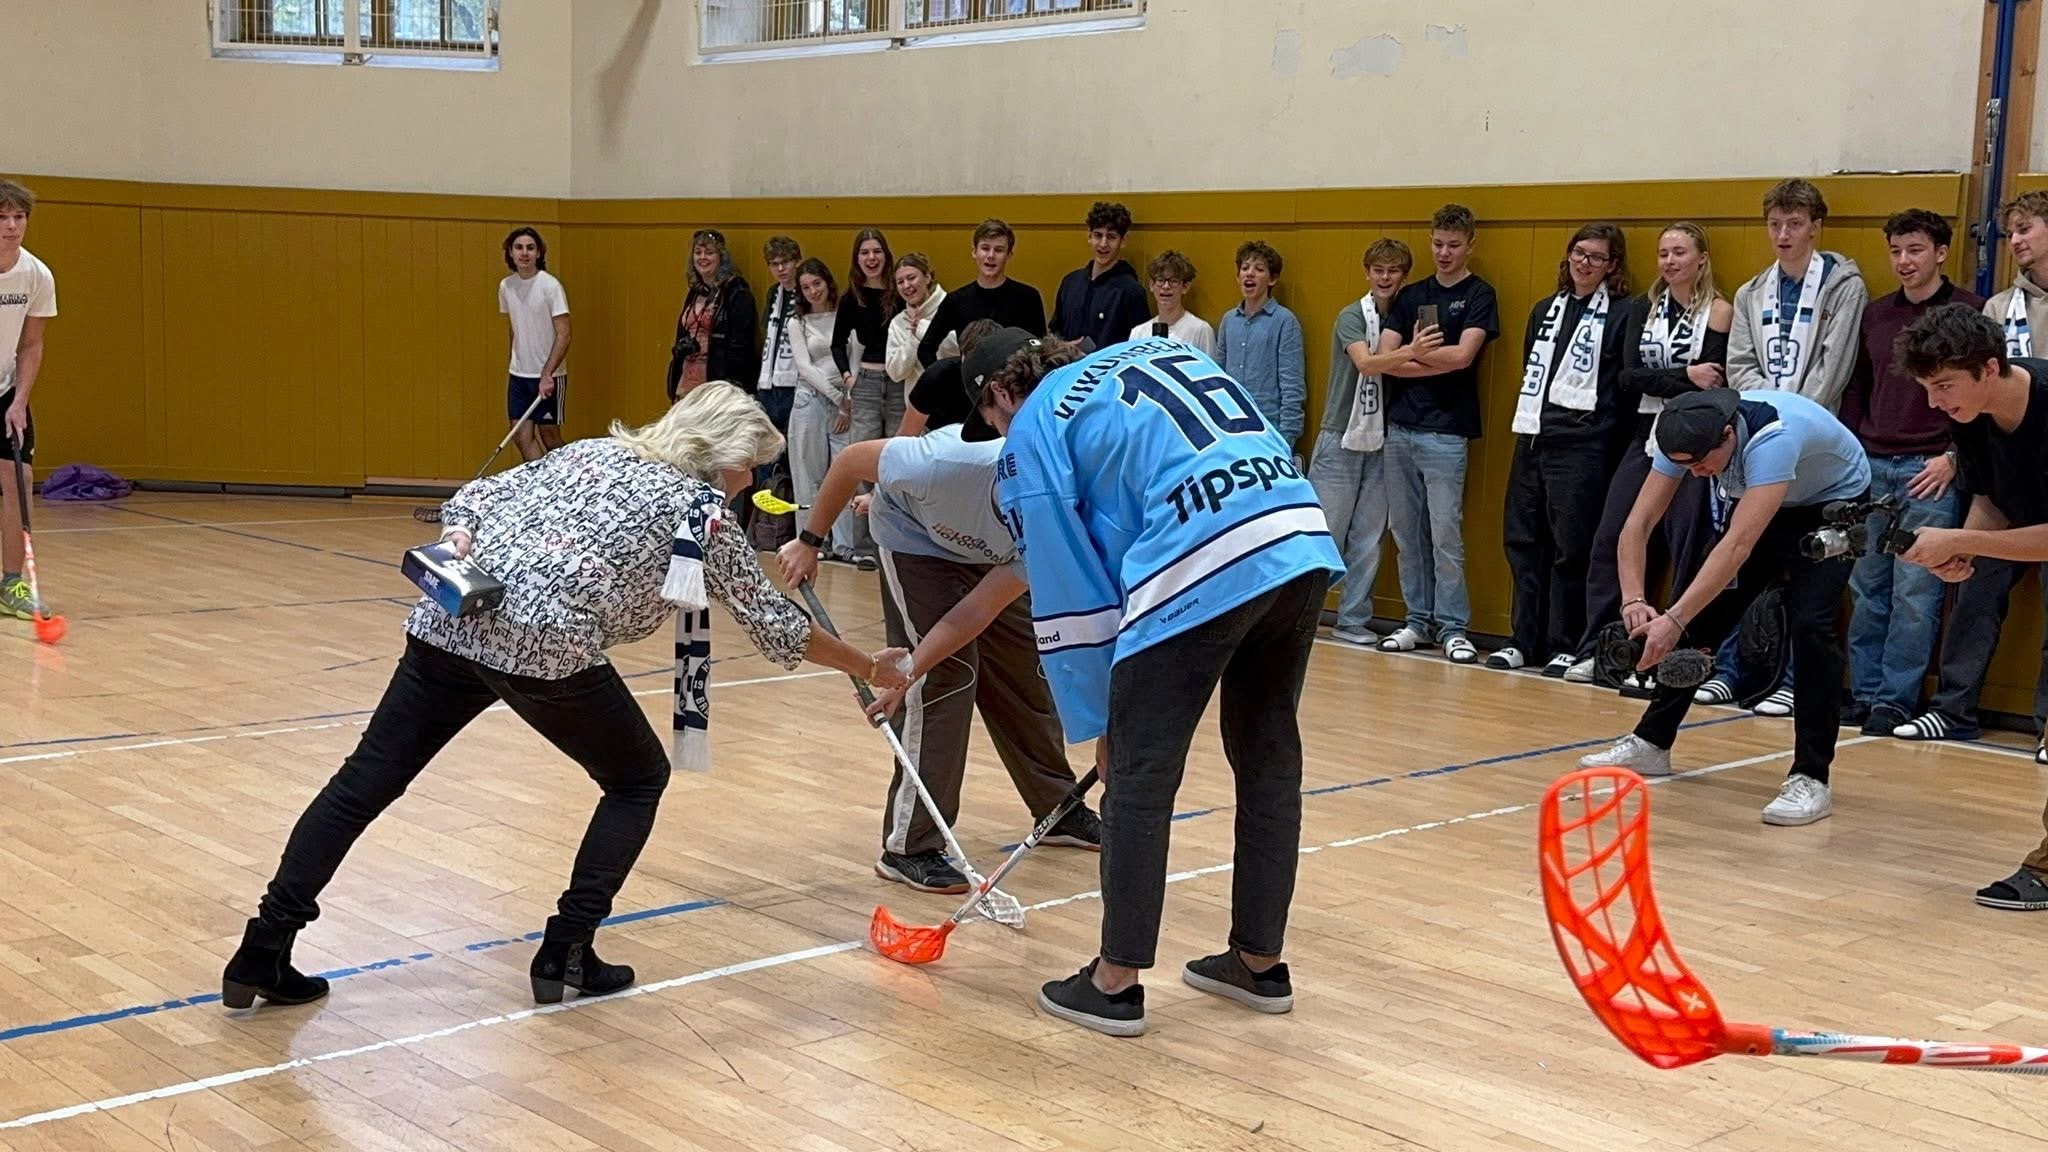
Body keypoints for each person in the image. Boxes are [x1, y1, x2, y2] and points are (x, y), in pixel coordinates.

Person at [219, 383, 911, 1012]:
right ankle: (567, 948)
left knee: (362, 783)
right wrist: (867, 666)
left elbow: (478, 494)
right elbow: (776, 626)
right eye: (751, 465)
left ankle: (262, 948)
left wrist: (459, 536)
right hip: (545, 646)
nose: (752, 481)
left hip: (453, 620)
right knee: (637, 779)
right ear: (724, 457)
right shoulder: (701, 510)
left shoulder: (590, 452)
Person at [969, 327, 1343, 1038]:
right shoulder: (1163, 354)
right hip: (1296, 533)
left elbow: (1067, 584)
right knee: (1267, 757)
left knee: (1139, 775)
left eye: (989, 422)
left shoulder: (1036, 423)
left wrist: (1102, 723)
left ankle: (1114, 983)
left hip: (1200, 550)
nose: (996, 436)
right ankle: (1258, 962)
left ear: (999, 395)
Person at [776, 419, 1101, 895]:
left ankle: (1058, 809)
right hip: (913, 541)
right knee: (947, 677)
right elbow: (849, 460)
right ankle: (910, 846)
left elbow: (977, 610)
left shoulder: (1051, 522)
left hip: (987, 555)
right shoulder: (942, 465)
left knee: (1020, 668)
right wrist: (810, 542)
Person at [1579, 386, 1870, 828]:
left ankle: (1811, 777)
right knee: (1703, 616)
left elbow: (1737, 547)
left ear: (1729, 435)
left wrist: (1674, 619)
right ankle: (1652, 741)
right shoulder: (1680, 434)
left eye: (1701, 464)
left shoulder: (1773, 439)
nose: (1696, 475)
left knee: (1813, 627)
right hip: (1765, 496)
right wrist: (1634, 599)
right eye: (1685, 466)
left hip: (1830, 505)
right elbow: (1637, 524)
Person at [1894, 304, 2048, 904]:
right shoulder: (1972, 417)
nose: (1934, 402)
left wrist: (1962, 541)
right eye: (1927, 388)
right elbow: (1990, 500)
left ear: (1988, 367)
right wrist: (1960, 554)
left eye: (1943, 386)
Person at [1697, 178, 1868, 715]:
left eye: (1794, 224)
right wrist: (1761, 419)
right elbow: (1741, 366)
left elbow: (1833, 366)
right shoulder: (1752, 292)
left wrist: (1788, 419)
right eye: (1775, 224)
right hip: (1754, 443)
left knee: (1810, 579)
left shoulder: (1843, 285)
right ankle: (1728, 668)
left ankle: (1796, 680)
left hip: (1811, 446)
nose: (1783, 234)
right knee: (1738, 562)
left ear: (1815, 227)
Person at [1564, 222, 1728, 685]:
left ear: (1701, 258)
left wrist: (1678, 381)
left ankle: (1674, 660)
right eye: (1663, 253)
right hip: (1645, 434)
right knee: (1613, 537)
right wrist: (1684, 376)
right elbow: (1629, 378)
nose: (1669, 261)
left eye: (1679, 252)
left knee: (1685, 545)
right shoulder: (1644, 307)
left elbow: (1715, 382)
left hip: (1695, 441)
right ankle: (1601, 648)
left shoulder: (1719, 311)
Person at [1835, 211, 1979, 737]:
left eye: (1915, 249)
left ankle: (1895, 700)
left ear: (1940, 252)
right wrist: (1854, 454)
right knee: (1867, 585)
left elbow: (1981, 398)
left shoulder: (1968, 312)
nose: (1903, 261)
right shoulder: (1876, 314)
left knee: (1916, 592)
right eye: (1896, 250)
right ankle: (1865, 692)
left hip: (1930, 468)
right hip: (1873, 462)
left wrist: (1954, 457)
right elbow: (1857, 388)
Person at [1492, 224, 1632, 675]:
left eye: (1596, 257)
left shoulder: (1624, 313)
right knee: (1523, 540)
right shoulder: (1544, 310)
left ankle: (1565, 642)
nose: (1584, 263)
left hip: (1584, 444)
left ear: (1612, 265)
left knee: (1572, 548)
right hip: (1533, 435)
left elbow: (1621, 386)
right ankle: (1523, 640)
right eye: (1579, 253)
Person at [1373, 203, 1501, 664]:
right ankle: (1417, 620)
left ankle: (1453, 626)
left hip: (1447, 432)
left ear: (1470, 245)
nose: (1444, 253)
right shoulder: (1412, 295)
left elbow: (1463, 357)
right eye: (1438, 244)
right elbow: (1384, 359)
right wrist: (1419, 355)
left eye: (1453, 245)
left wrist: (1412, 355)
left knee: (1445, 532)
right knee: (1406, 532)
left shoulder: (1480, 294)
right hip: (1400, 429)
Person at [1307, 238, 1436, 645]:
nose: (1385, 277)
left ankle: (1351, 620)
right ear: (1366, 273)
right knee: (1325, 533)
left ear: (1404, 276)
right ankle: (1301, 618)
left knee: (1368, 537)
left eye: (1393, 271)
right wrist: (1412, 351)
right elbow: (1366, 363)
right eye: (1378, 270)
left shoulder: (1405, 317)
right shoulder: (1351, 315)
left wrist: (1414, 350)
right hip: (1340, 436)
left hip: (1383, 437)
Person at [0, 178, 54, 623]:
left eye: (19, 217)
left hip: (4, 391)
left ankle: (12, 584)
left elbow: (32, 344)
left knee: (18, 480)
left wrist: (19, 400)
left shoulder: (37, 275)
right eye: (2, 217)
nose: (11, 226)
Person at [915, 219, 1046, 367]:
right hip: (969, 381)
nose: (991, 255)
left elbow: (1040, 347)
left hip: (1013, 379)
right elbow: (925, 349)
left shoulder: (1028, 298)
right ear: (974, 252)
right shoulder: (956, 300)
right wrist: (948, 377)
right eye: (985, 248)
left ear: (1009, 255)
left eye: (998, 250)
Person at [1216, 240, 1306, 451]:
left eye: (1259, 269)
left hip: (1268, 430)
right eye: (1245, 268)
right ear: (1237, 276)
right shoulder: (1228, 320)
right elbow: (1218, 376)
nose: (1250, 274)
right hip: (1229, 427)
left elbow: (1292, 384)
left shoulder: (1285, 321)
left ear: (1272, 279)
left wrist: (1287, 438)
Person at [498, 227, 570, 462]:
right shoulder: (506, 286)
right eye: (519, 248)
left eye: (530, 248)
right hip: (519, 375)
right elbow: (514, 327)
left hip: (549, 376)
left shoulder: (550, 286)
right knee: (521, 435)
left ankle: (567, 478)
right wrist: (515, 360)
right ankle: (539, 481)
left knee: (550, 437)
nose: (524, 253)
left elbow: (564, 334)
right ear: (510, 252)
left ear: (538, 253)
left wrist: (547, 374)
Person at [1051, 201, 1150, 353]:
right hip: (1068, 366)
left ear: (1123, 240)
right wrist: (1063, 347)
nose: (1103, 244)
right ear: (1089, 236)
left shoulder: (1132, 292)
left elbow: (1139, 347)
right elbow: (1055, 331)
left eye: (1111, 237)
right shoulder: (1070, 282)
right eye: (1098, 235)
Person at [1130, 249, 1215, 355]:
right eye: (1160, 280)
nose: (1166, 286)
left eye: (1173, 281)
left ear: (1185, 287)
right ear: (1151, 285)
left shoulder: (1201, 330)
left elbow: (1209, 365)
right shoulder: (1138, 334)